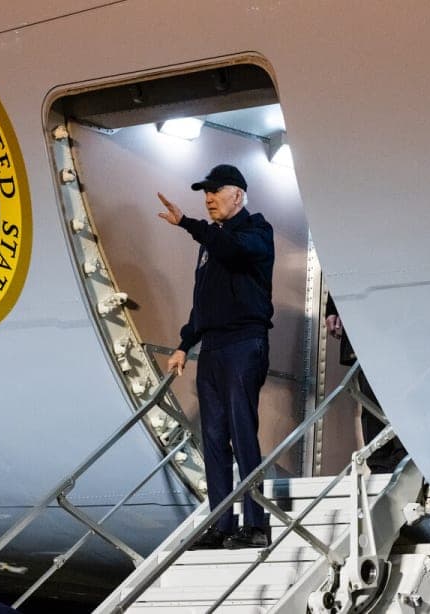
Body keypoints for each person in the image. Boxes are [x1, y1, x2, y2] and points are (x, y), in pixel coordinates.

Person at [157, 164, 274, 549]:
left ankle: (256, 524)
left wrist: (189, 224)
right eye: (204, 192)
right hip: (214, 349)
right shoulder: (212, 242)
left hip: (244, 343)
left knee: (242, 434)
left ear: (237, 195)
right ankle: (222, 524)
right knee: (213, 437)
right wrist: (183, 344)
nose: (207, 198)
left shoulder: (256, 231)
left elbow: (235, 250)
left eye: (214, 191)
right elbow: (202, 303)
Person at [325, 295, 406, 473]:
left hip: (397, 315)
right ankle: (381, 463)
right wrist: (332, 308)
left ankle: (404, 458)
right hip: (362, 316)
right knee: (370, 396)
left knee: (400, 390)